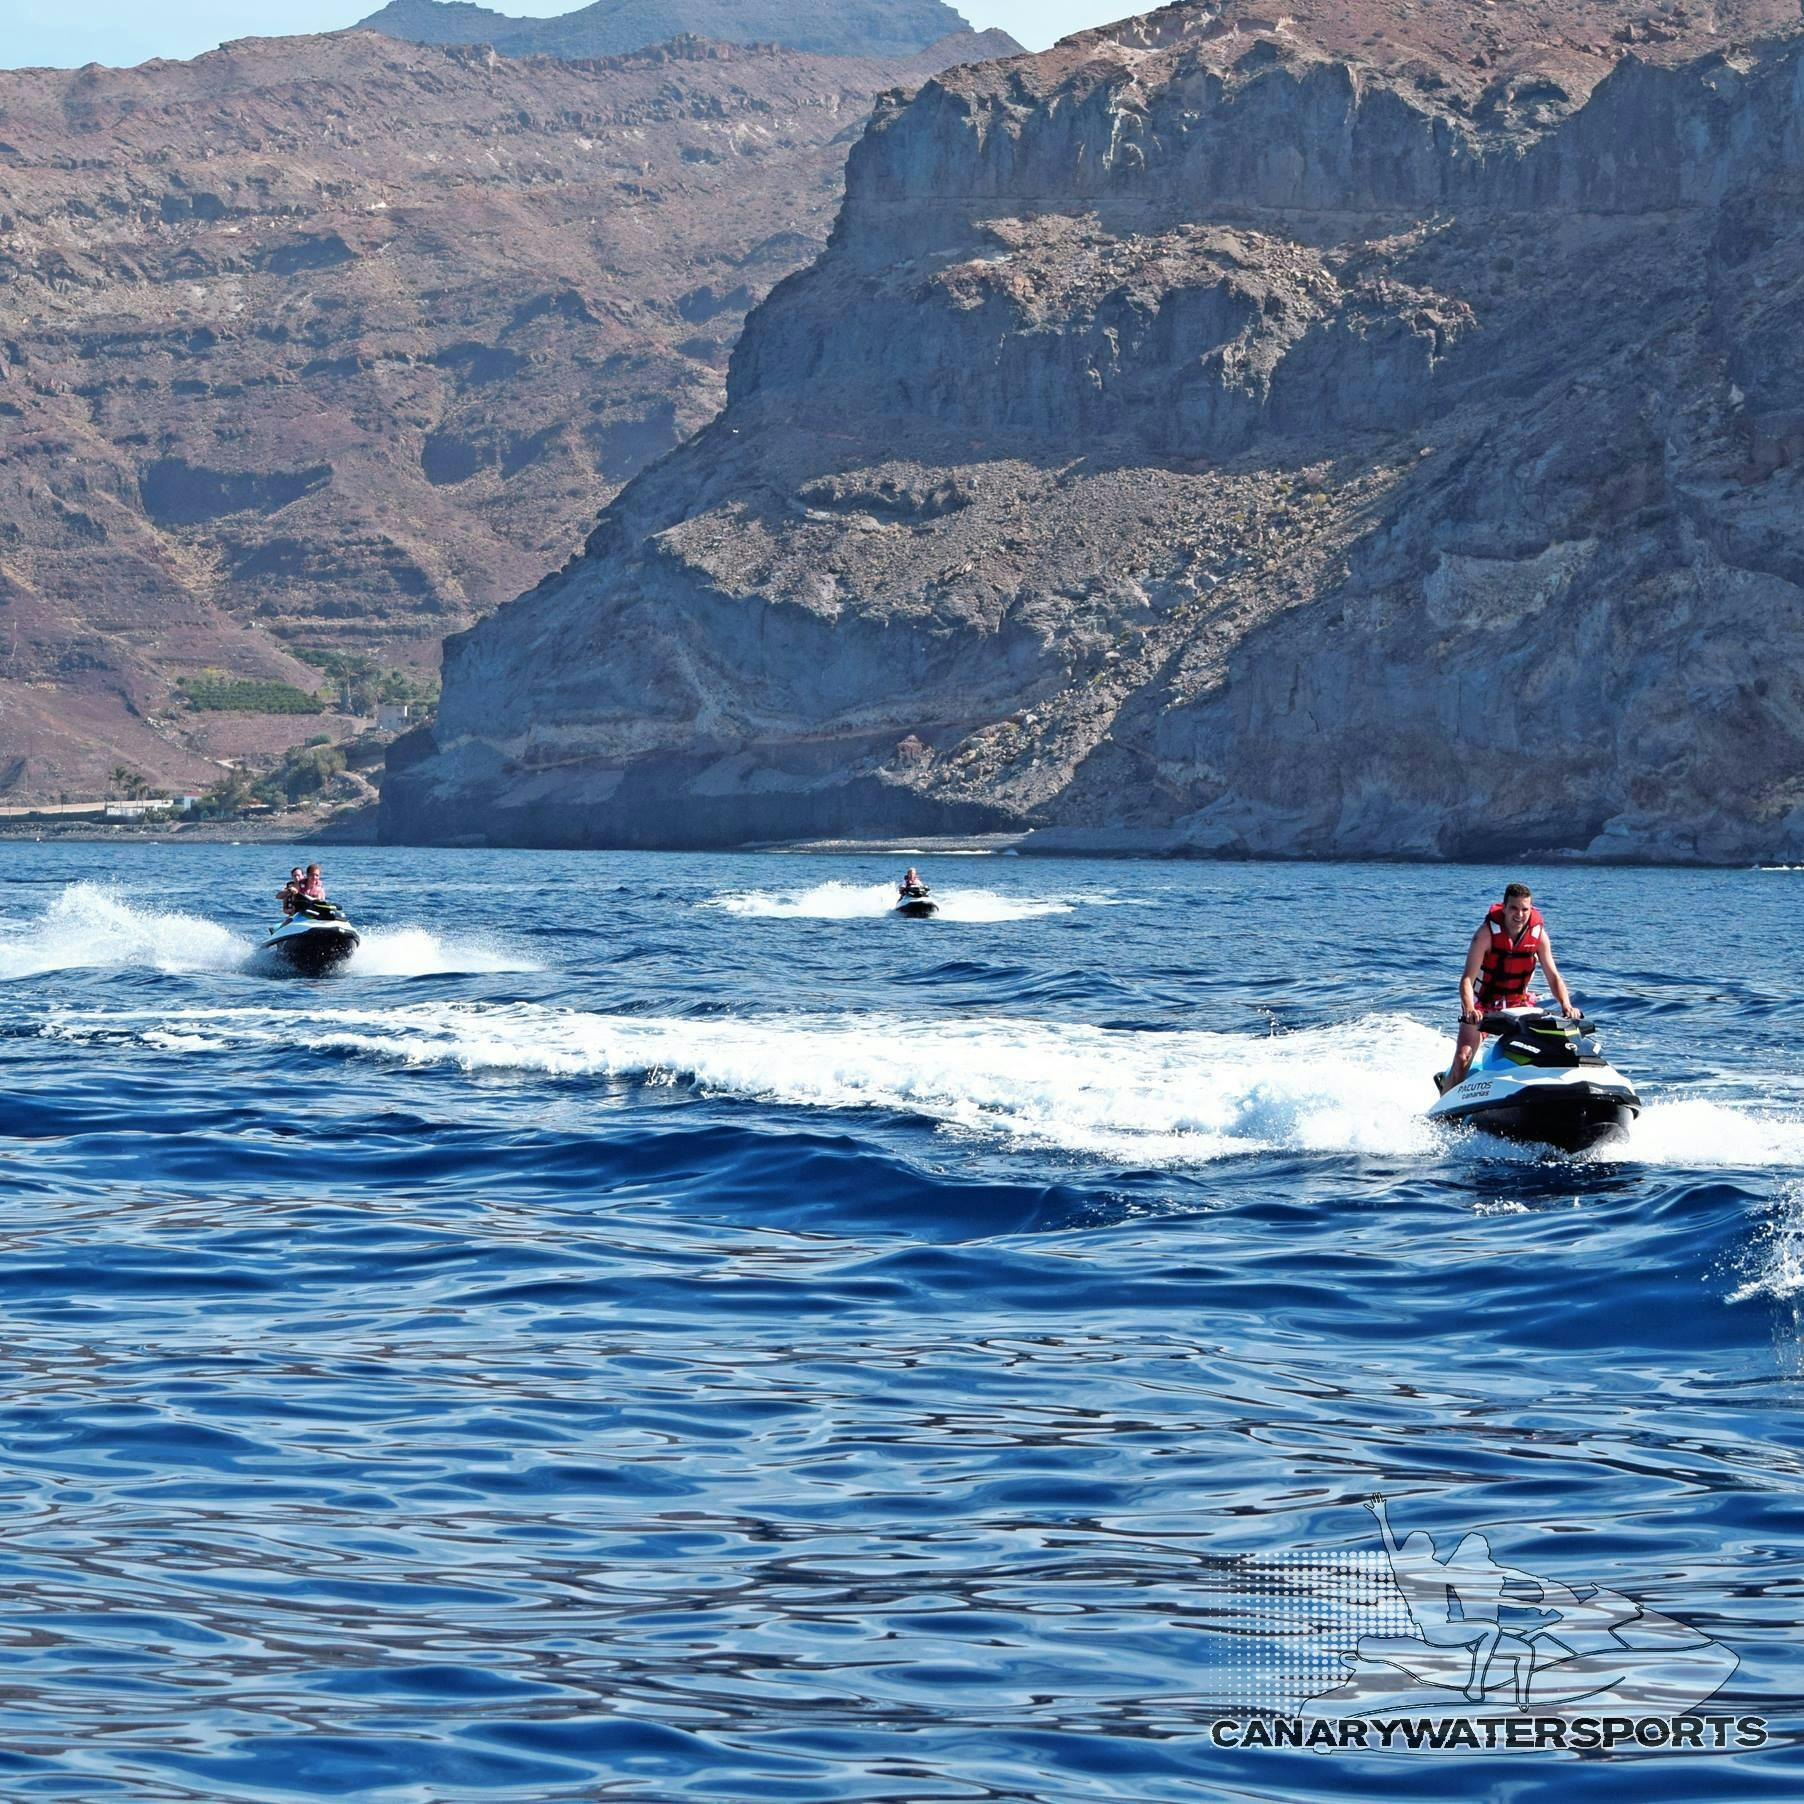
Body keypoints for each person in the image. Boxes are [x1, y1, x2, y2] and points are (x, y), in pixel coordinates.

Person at [1438, 881, 1578, 1093]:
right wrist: (1469, 1009)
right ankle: (1446, 1103)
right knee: (1463, 1057)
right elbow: (1467, 979)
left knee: (1543, 1047)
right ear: (1504, 908)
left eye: (1525, 909)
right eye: (1514, 908)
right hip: (1481, 1004)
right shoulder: (1485, 934)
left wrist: (1566, 1005)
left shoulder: (1538, 935)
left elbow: (1553, 976)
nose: (1519, 915)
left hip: (1517, 1002)